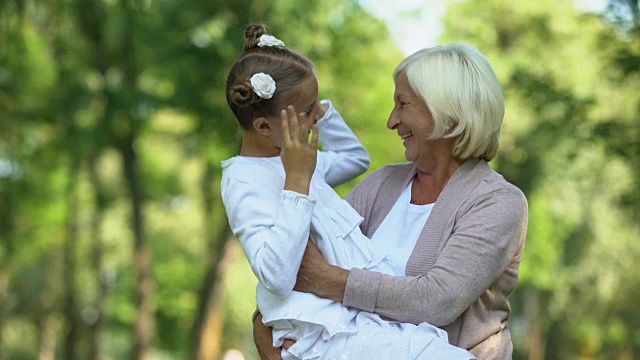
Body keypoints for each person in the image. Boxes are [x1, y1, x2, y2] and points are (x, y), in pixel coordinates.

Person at [253, 42, 529, 360]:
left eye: (403, 104)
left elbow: (435, 301)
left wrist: (326, 279)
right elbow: (295, 256)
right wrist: (263, 327)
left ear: (448, 115)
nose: (391, 121)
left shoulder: (498, 203)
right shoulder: (383, 183)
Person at [222, 24, 475, 360]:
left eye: (316, 107)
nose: (315, 118)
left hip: (357, 319)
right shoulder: (244, 181)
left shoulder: (295, 160)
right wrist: (296, 183)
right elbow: (276, 278)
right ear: (265, 127)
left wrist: (318, 111)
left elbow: (355, 159)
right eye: (307, 112)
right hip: (322, 333)